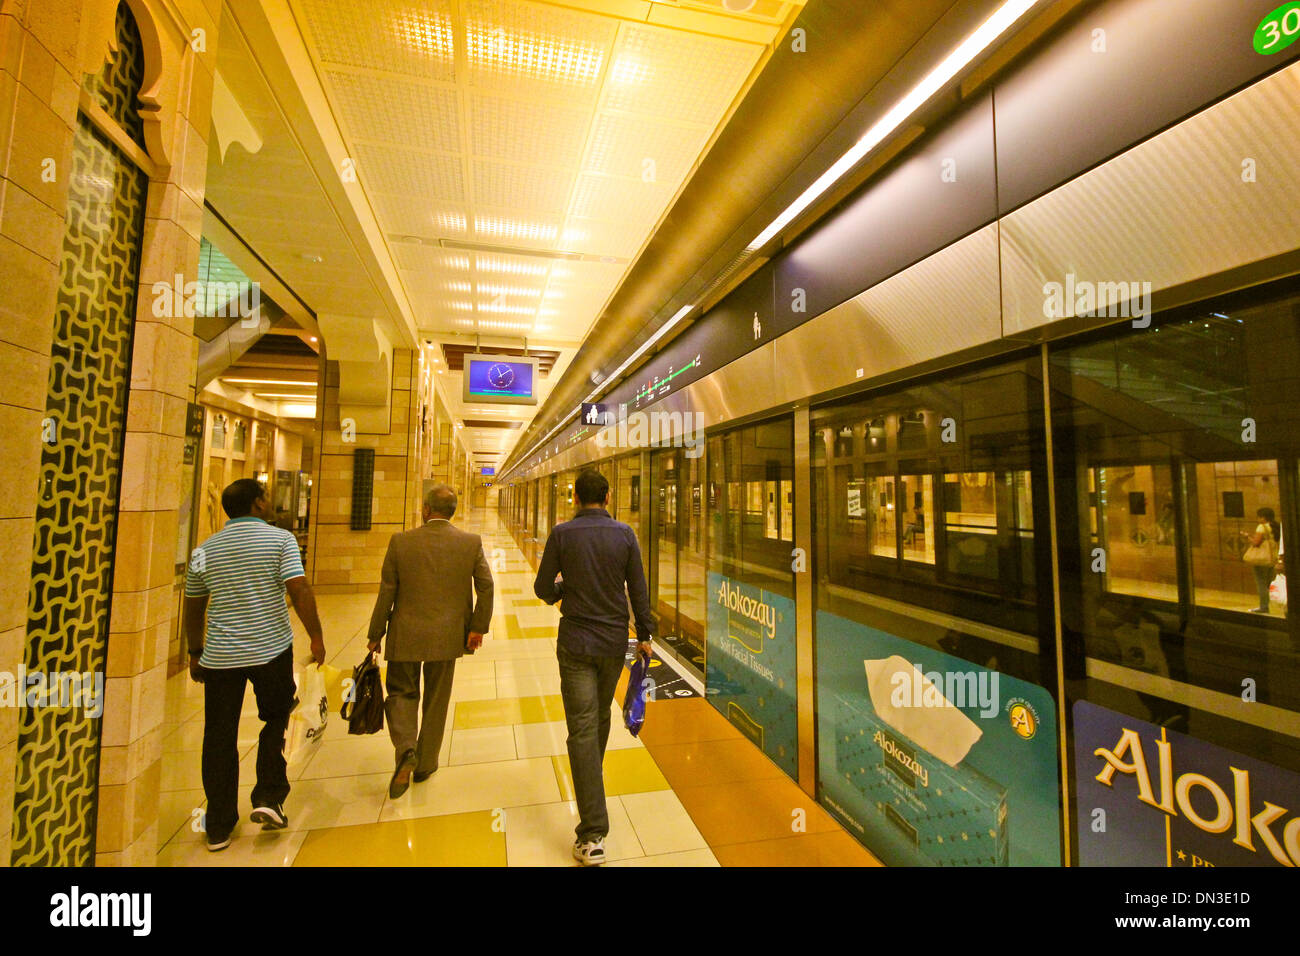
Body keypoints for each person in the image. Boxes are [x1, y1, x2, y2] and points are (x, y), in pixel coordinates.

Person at [184, 478, 326, 852]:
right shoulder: (280, 541)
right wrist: (316, 636)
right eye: (265, 497)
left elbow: (194, 605)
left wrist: (195, 651)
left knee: (218, 735)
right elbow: (299, 589)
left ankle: (218, 825)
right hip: (271, 651)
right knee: (278, 718)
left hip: (220, 656)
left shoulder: (204, 550)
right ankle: (268, 796)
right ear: (258, 505)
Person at [534, 469, 653, 866]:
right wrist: (647, 635)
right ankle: (593, 814)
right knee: (595, 717)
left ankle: (590, 835)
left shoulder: (562, 534)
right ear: (607, 496)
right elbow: (638, 588)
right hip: (612, 642)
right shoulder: (625, 535)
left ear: (576, 499)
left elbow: (541, 588)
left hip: (575, 643)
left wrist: (564, 592)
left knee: (585, 725)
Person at [367, 484, 493, 798]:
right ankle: (426, 764)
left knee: (401, 692)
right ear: (452, 512)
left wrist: (375, 633)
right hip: (448, 635)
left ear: (425, 509)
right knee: (437, 699)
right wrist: (477, 628)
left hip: (405, 633)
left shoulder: (401, 542)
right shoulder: (470, 542)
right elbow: (487, 587)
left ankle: (406, 748)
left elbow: (387, 591)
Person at [1242, 506, 1281, 614]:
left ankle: (1264, 607)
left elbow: (1256, 543)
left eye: (1259, 517)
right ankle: (1273, 605)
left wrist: (1247, 537)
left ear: (1264, 517)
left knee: (1261, 583)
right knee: (1268, 582)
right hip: (1272, 558)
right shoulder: (1276, 526)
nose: (1258, 519)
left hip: (1261, 559)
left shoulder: (1262, 527)